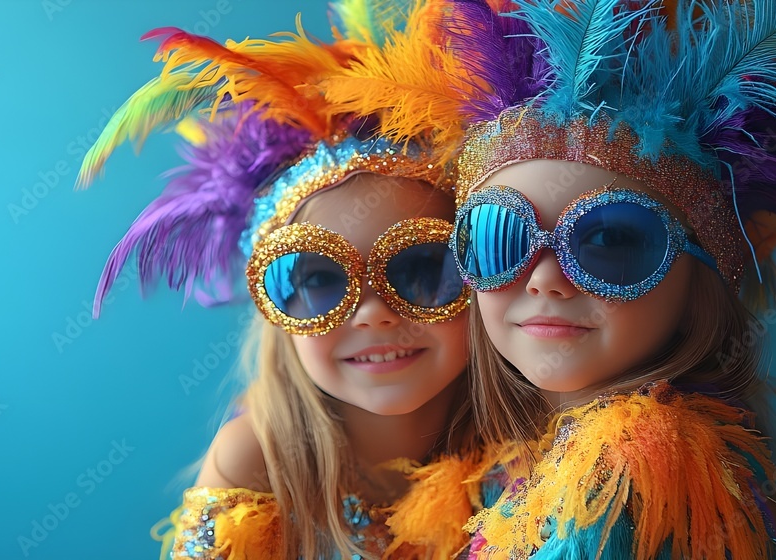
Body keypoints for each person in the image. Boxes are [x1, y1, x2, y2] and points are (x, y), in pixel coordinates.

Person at [76, 2, 492, 557]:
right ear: (275, 310)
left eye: (421, 268)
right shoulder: (256, 461)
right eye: (322, 280)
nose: (372, 313)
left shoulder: (523, 447)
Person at [431, 0, 776, 557]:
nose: (544, 280)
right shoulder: (518, 461)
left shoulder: (627, 475)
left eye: (610, 241)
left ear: (698, 286)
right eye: (501, 237)